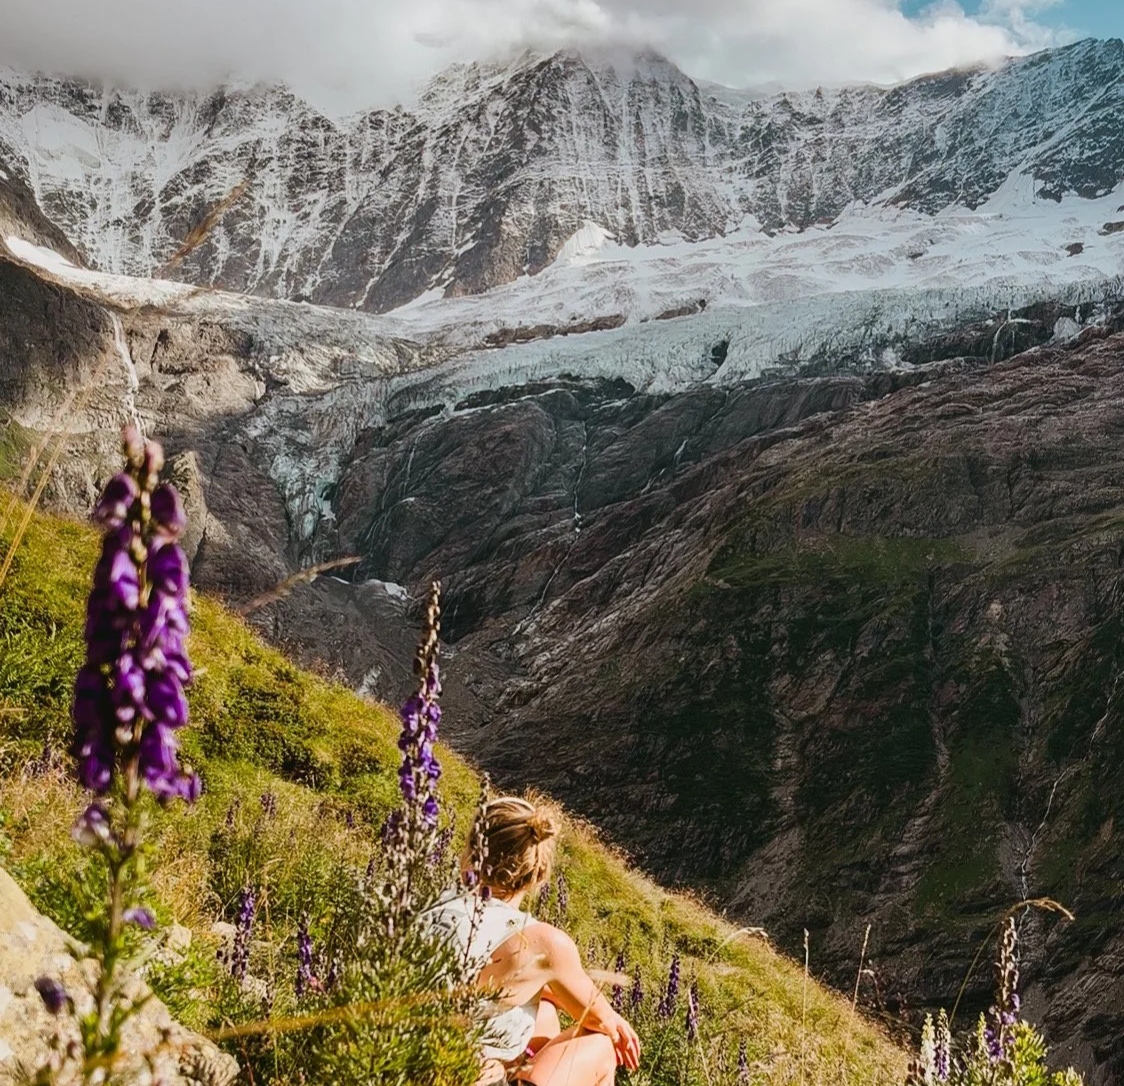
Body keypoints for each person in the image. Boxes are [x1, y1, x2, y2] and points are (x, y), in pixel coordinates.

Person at [425, 796, 641, 1086]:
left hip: (402, 1070)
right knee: (600, 1045)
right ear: (537, 874)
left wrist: (547, 992)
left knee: (545, 1013)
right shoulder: (542, 943)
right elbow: (604, 1022)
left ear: (470, 853)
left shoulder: (430, 909)